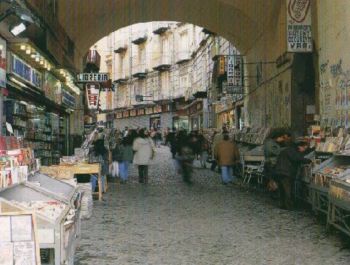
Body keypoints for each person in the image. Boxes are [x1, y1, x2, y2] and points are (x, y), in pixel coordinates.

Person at [274, 141, 311, 210]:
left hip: (280, 171)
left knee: (282, 189)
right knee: (287, 189)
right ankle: (289, 206)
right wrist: (308, 160)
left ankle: (282, 204)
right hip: (285, 172)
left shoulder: (289, 149)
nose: (304, 150)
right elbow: (297, 158)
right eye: (304, 148)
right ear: (300, 146)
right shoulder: (292, 151)